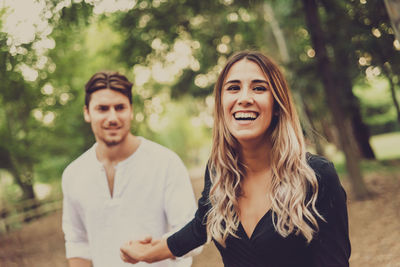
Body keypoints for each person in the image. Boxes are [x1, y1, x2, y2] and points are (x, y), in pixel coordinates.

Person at [119, 51, 351, 267]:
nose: (244, 98)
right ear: (221, 103)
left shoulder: (316, 176)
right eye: (233, 88)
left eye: (259, 88)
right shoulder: (219, 172)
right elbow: (202, 225)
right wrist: (148, 253)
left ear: (277, 104)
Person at [62, 71, 199, 267]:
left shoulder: (166, 163)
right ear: (87, 112)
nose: (112, 117)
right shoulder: (73, 174)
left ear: (131, 111)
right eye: (102, 109)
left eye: (120, 108)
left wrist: (151, 252)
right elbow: (77, 243)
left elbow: (192, 236)